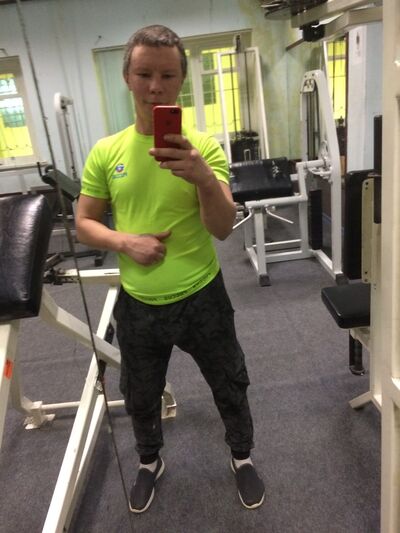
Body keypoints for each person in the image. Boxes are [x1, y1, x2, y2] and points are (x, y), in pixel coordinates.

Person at [76, 24, 265, 514]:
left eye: (167, 75)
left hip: (202, 295)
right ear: (127, 77)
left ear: (180, 79)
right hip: (139, 303)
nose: (155, 87)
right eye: (144, 74)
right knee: (139, 395)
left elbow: (222, 228)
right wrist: (125, 241)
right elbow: (84, 223)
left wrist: (202, 177)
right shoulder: (106, 152)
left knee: (230, 383)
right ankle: (149, 462)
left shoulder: (205, 148)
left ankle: (242, 457)